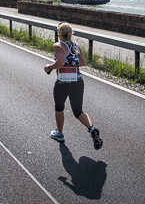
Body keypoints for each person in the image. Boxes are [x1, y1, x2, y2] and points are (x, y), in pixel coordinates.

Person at [44, 22, 103, 150]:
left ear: (59, 34)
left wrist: (49, 67)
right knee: (78, 111)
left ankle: (59, 134)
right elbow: (82, 62)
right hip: (78, 81)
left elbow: (60, 62)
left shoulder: (58, 45)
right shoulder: (76, 46)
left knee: (59, 108)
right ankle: (91, 129)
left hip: (63, 83)